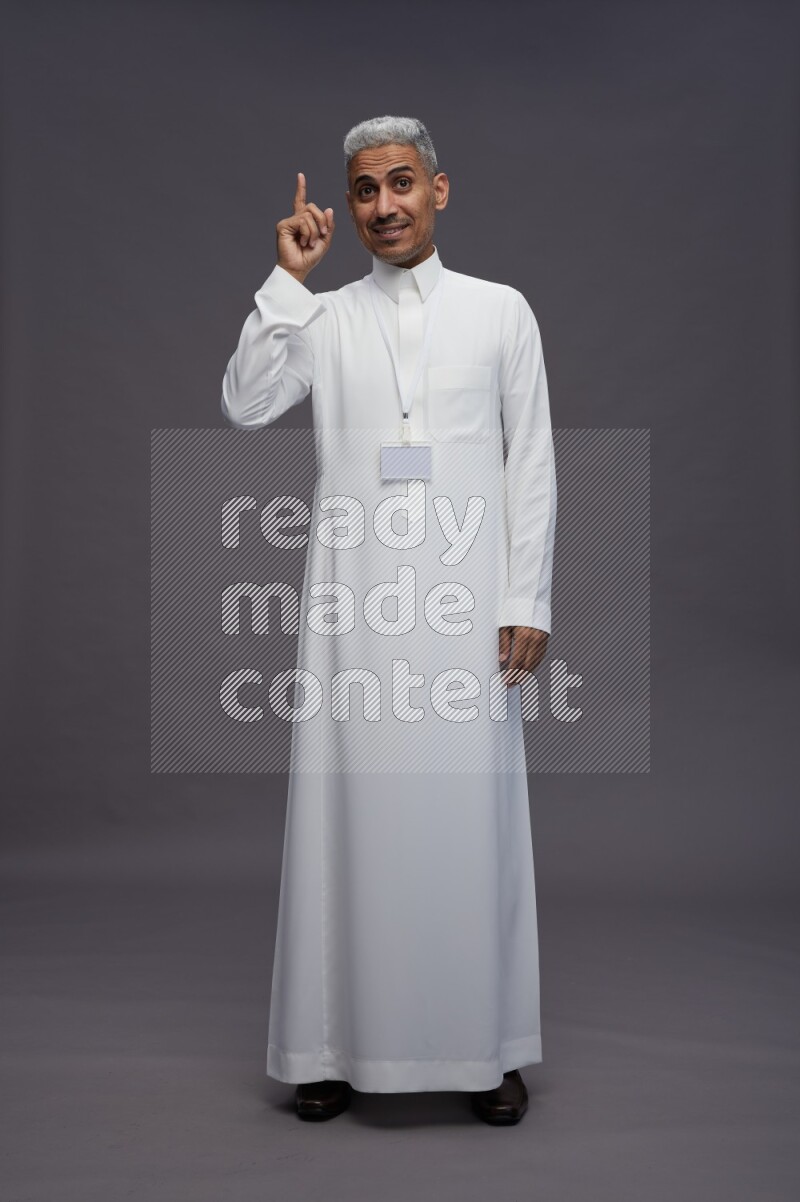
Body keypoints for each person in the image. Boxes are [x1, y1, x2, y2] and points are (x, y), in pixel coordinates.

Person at [220, 115, 557, 1125]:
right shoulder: (321, 320)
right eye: (364, 191)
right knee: (344, 817)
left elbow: (528, 462)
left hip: (464, 609)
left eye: (399, 184)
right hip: (352, 608)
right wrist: (284, 283)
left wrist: (524, 597)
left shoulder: (500, 312)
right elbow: (242, 401)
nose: (383, 207)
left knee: (469, 820)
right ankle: (327, 1047)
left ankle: (485, 1048)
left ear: (438, 190)